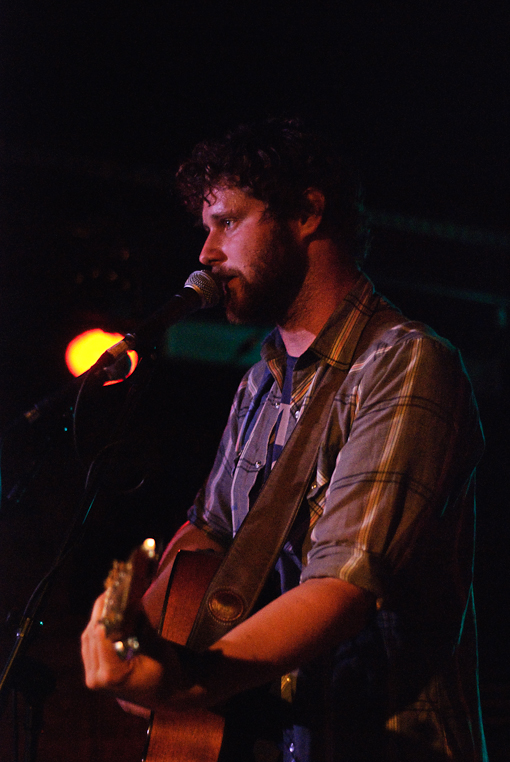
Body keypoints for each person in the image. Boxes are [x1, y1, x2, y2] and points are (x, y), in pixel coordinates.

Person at [81, 118, 488, 761]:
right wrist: (135, 634)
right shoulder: (258, 385)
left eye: (228, 223)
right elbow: (207, 533)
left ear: (306, 213)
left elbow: (343, 587)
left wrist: (185, 682)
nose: (206, 254)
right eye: (205, 229)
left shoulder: (407, 362)